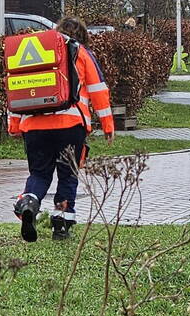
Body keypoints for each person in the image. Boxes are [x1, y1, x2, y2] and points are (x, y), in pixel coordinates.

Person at [8, 17, 115, 242]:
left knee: (39, 173)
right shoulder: (81, 53)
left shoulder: (38, 50)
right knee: (67, 175)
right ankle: (61, 225)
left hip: (34, 126)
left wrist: (15, 124)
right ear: (83, 36)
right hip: (70, 125)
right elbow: (98, 90)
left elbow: (18, 87)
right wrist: (107, 125)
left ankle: (29, 203)